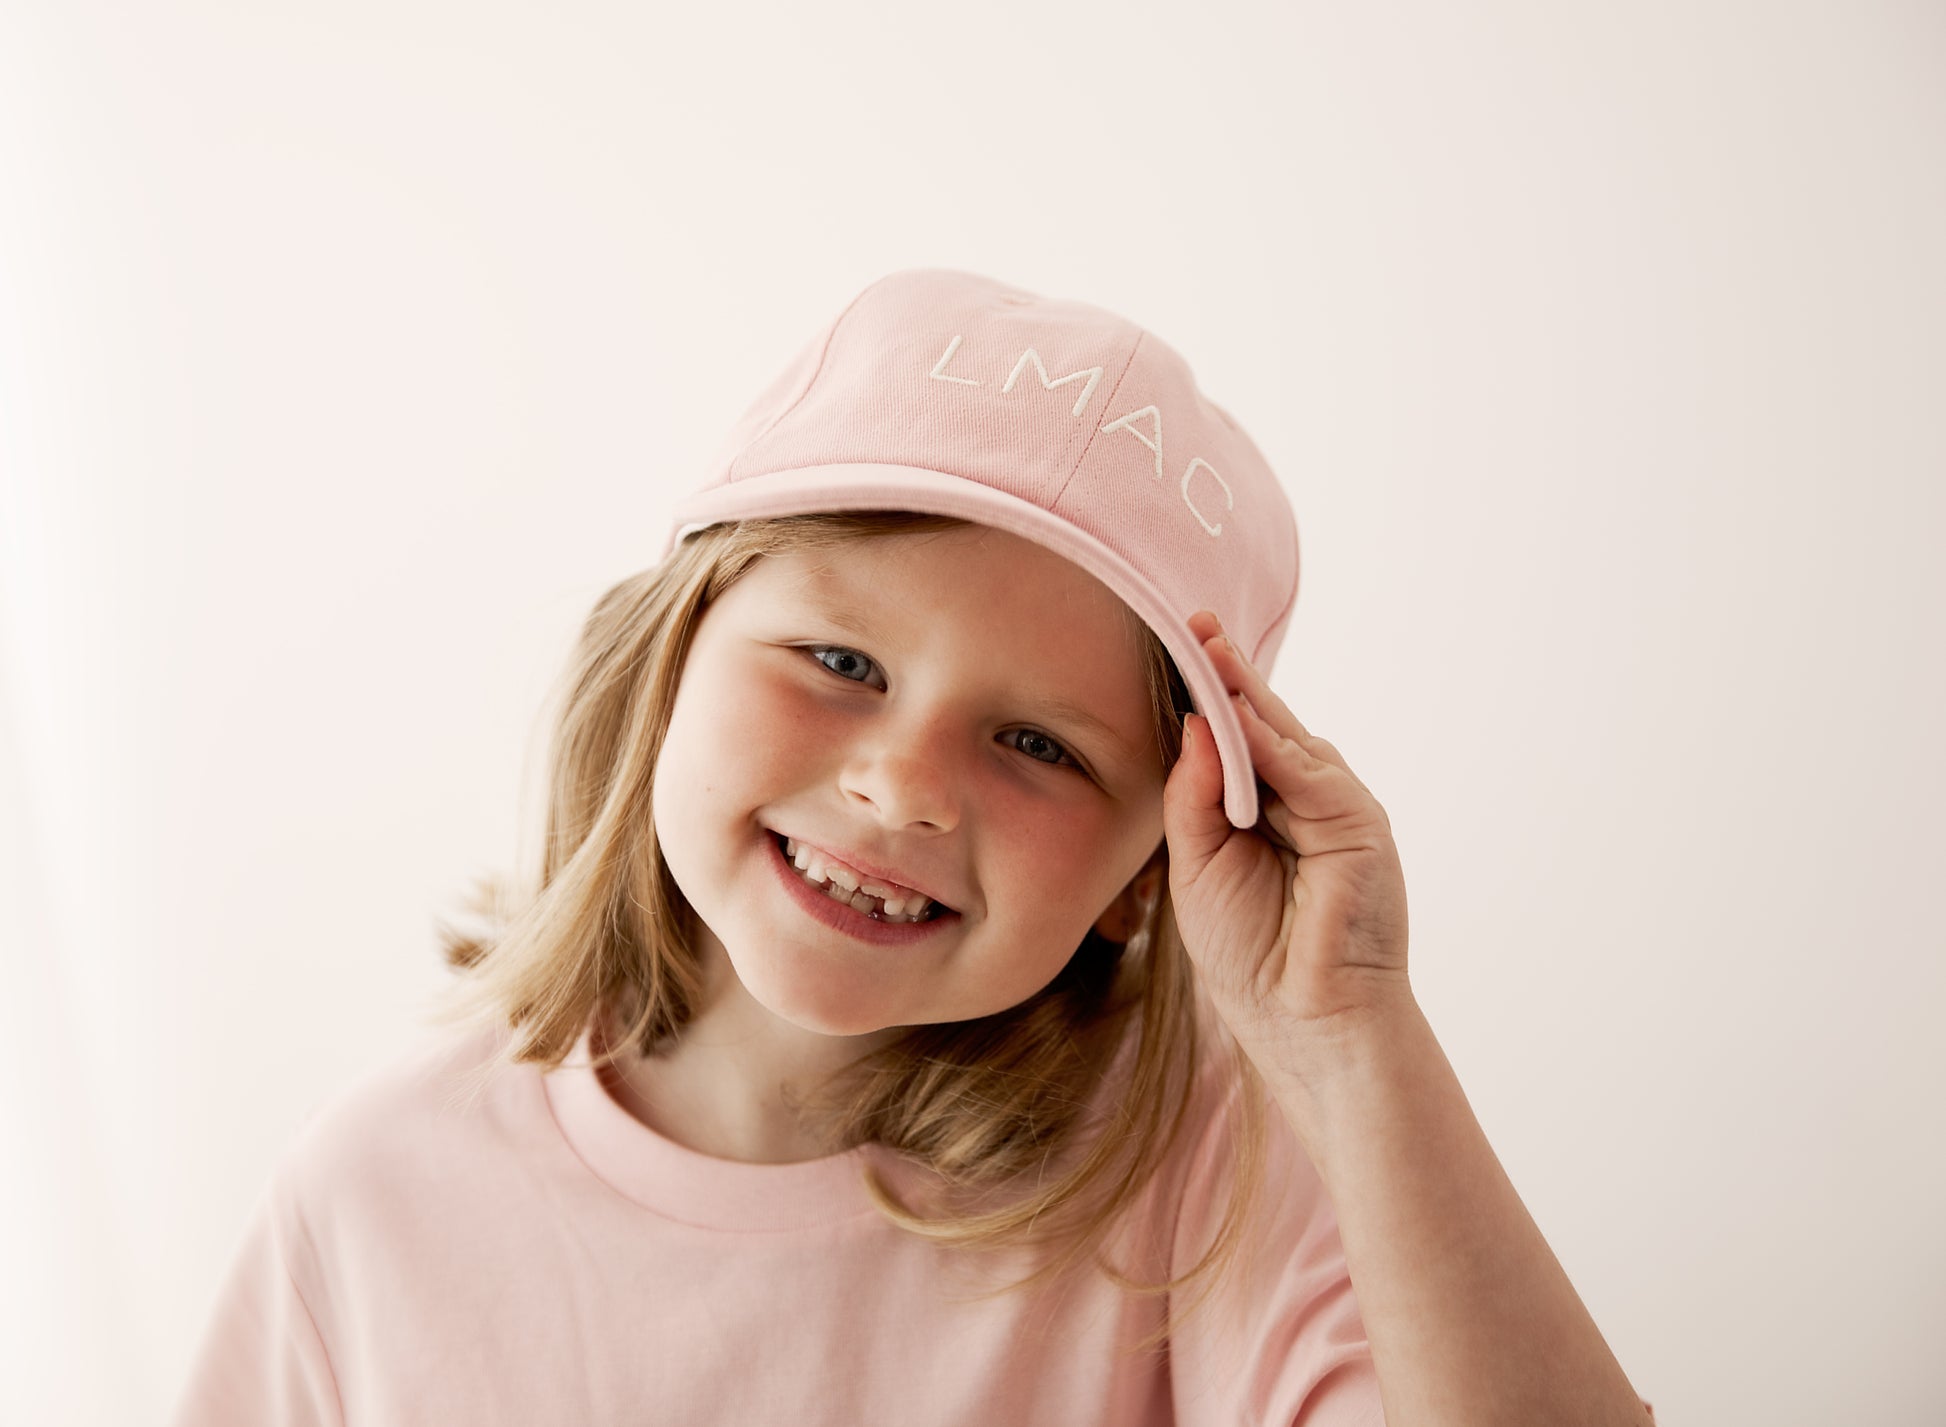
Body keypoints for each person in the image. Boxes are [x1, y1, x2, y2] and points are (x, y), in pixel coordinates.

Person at [168, 268, 1656, 1425]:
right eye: (841, 662)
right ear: (669, 660)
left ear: (1147, 872)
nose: (903, 791)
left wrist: (1349, 1037)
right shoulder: (375, 1201)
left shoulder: (1202, 1190)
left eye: (1040, 746)